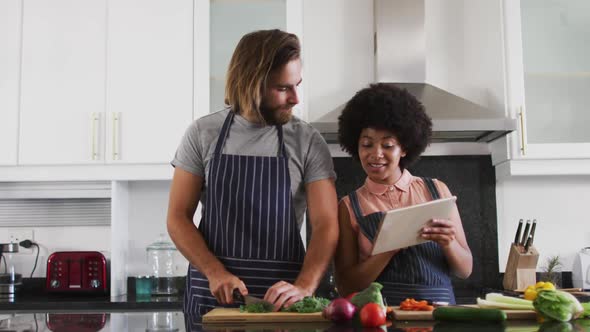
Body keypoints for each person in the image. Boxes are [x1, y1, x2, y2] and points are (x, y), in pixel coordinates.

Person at [166, 29, 338, 322]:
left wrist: (304, 287)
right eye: (283, 88)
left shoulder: (306, 140)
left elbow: (325, 224)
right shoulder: (203, 134)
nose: (296, 98)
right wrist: (214, 272)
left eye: (298, 85)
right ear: (251, 82)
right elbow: (178, 217)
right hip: (214, 299)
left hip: (283, 304)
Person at [334, 83, 472, 305]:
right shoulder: (349, 206)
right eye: (366, 144)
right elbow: (346, 286)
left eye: (387, 145)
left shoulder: (436, 190)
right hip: (382, 318)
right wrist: (389, 248)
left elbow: (465, 269)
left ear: (404, 148)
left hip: (441, 315)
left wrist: (449, 243)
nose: (375, 154)